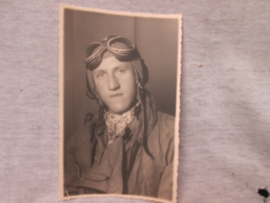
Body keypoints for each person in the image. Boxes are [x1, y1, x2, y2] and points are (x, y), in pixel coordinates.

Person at [64, 36, 175, 200]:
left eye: (121, 70)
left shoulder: (172, 136)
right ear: (94, 87)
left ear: (138, 76)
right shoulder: (78, 142)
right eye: (101, 75)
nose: (112, 85)